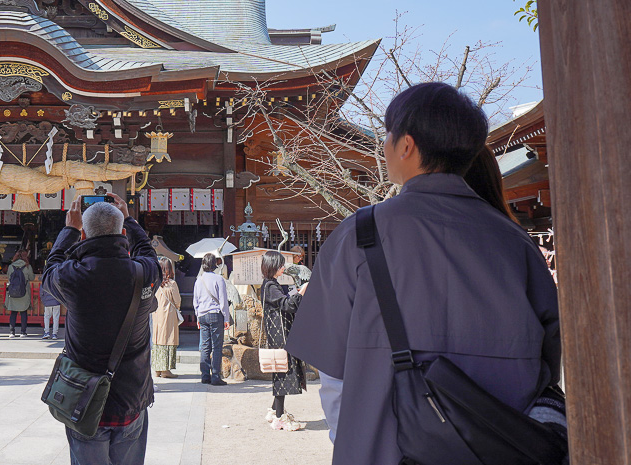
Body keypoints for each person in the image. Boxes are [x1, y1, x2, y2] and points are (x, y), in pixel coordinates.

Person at [289, 82, 561, 464]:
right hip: (505, 449)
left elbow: (334, 378)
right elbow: (547, 366)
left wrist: (354, 440)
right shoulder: (516, 242)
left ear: (406, 146)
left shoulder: (360, 234)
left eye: (387, 135)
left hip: (386, 449)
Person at [41, 194, 161, 465]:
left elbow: (49, 272)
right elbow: (148, 252)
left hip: (84, 401)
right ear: (122, 232)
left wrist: (68, 231)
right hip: (132, 398)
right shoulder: (144, 272)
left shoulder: (72, 275)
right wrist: (130, 219)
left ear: (83, 232)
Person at [260, 250, 307, 431]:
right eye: (280, 265)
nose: (283, 267)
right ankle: (279, 417)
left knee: (281, 369)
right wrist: (301, 292)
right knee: (282, 372)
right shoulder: (271, 286)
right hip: (279, 335)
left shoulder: (270, 284)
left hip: (277, 333)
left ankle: (274, 411)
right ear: (272, 266)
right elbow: (288, 305)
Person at [192, 252, 230, 386]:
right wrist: (227, 317)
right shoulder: (219, 279)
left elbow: (195, 301)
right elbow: (223, 301)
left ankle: (205, 376)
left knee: (205, 346)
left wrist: (197, 315)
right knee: (217, 346)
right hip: (215, 314)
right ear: (215, 264)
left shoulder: (199, 280)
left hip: (202, 314)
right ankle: (215, 376)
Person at [151, 256, 181, 379]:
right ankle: (166, 370)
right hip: (168, 316)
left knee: (157, 341)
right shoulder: (172, 284)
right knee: (168, 340)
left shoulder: (154, 283)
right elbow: (177, 301)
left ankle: (157, 369)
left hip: (156, 315)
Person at [5, 249, 35, 337]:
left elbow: (8, 277)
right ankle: (23, 332)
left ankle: (11, 332)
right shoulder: (27, 266)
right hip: (24, 292)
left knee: (13, 312)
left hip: (13, 292)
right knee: (23, 312)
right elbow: (32, 277)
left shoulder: (11, 266)